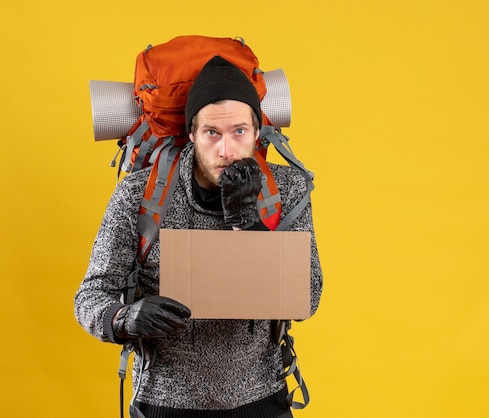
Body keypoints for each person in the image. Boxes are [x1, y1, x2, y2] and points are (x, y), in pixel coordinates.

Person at [74, 56, 323, 418]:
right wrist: (121, 318)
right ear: (192, 133)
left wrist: (248, 225)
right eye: (212, 133)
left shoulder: (286, 188)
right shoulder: (139, 195)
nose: (226, 150)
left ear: (257, 132)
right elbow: (91, 295)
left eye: (239, 131)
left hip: (261, 396)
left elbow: (308, 297)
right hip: (165, 400)